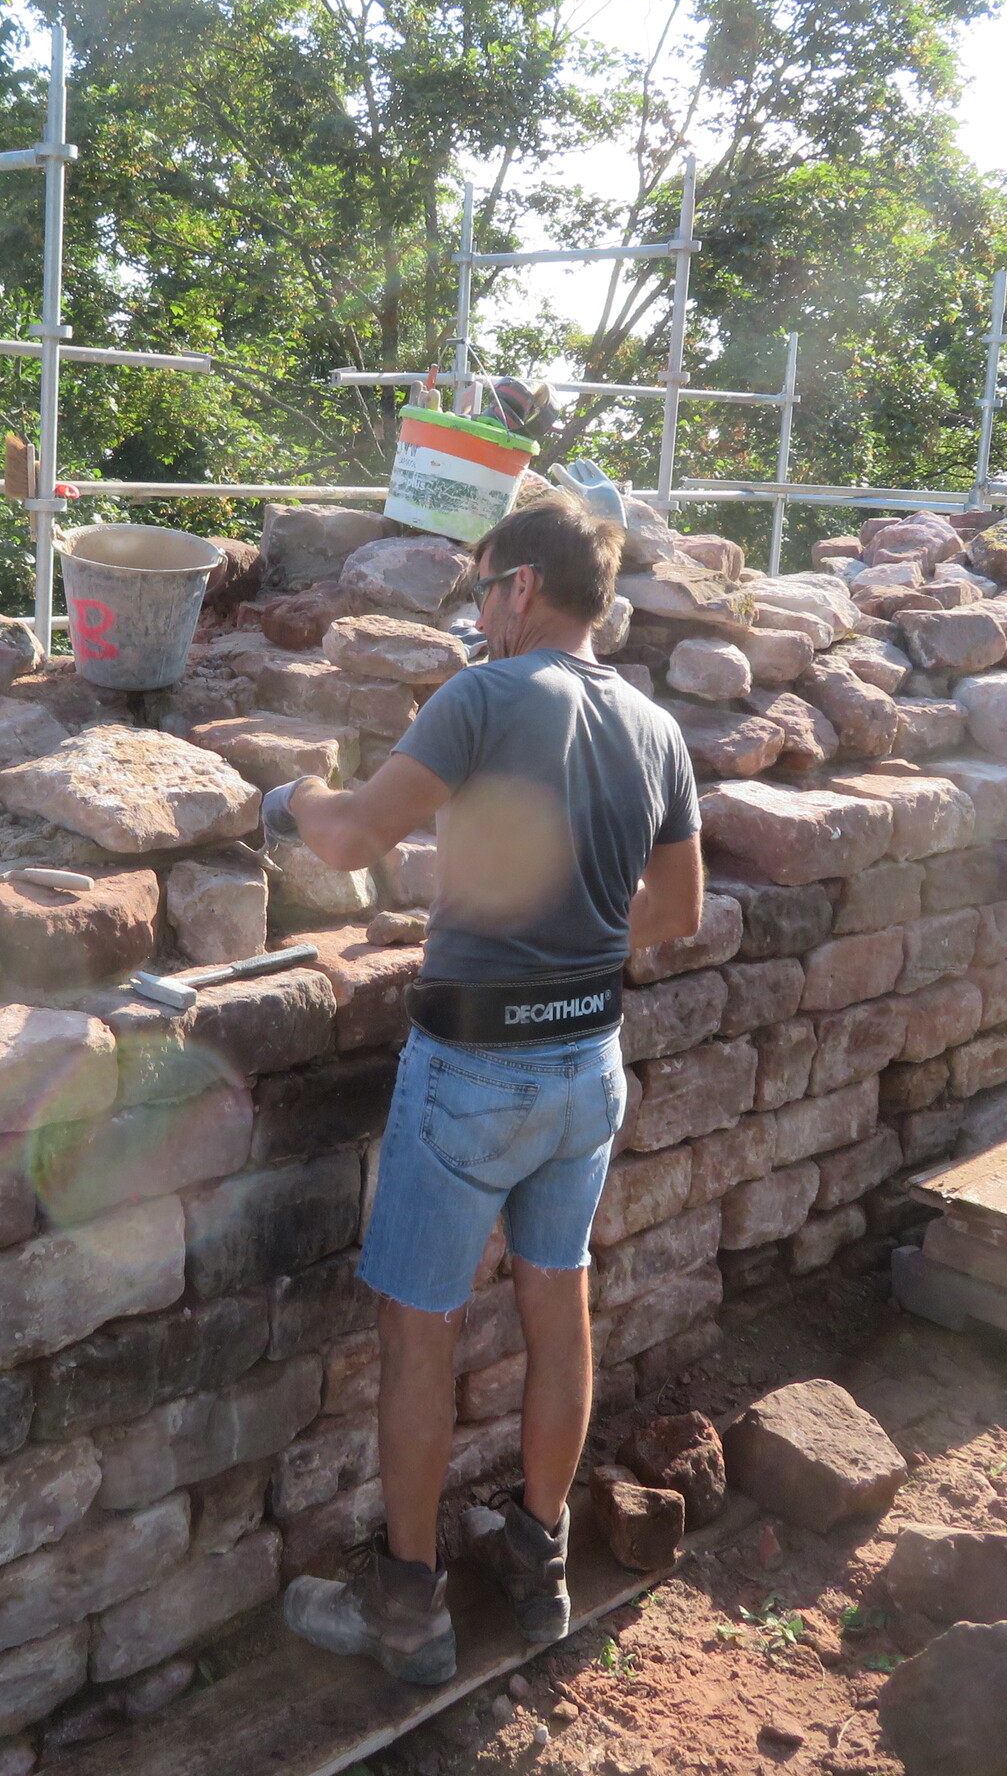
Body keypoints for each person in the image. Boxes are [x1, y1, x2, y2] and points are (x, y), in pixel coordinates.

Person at [268, 493, 705, 1685]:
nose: (476, 613)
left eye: (481, 590)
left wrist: (292, 799)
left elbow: (350, 841)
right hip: (589, 1067)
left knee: (421, 1330)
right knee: (558, 1303)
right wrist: (573, 936)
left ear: (520, 586)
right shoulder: (656, 728)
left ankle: (408, 1612)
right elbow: (676, 911)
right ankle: (538, 1560)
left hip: (473, 1068)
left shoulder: (484, 694)